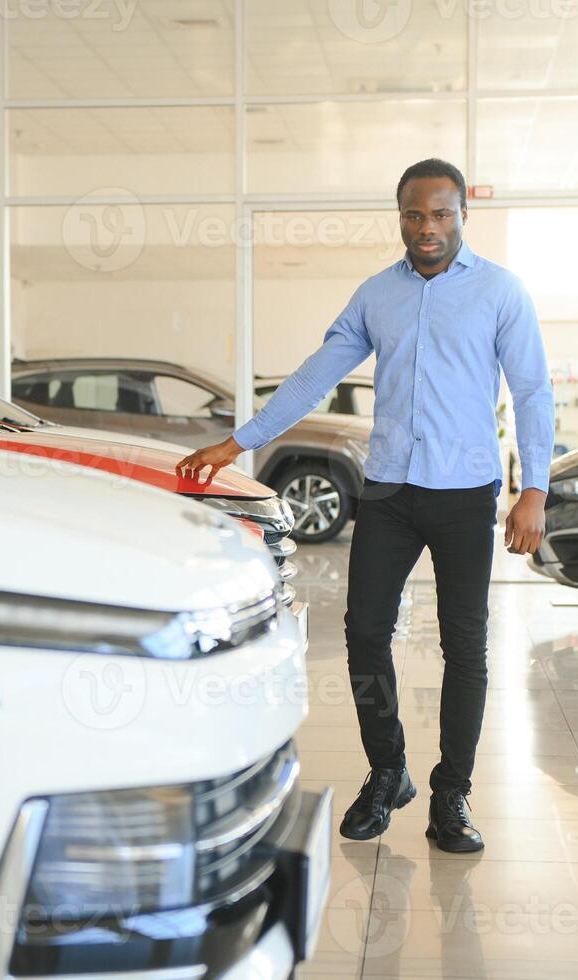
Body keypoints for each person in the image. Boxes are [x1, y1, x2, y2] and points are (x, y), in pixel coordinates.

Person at [176, 159, 553, 853]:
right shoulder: (377, 294)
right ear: (399, 217)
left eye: (440, 214)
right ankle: (388, 773)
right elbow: (314, 377)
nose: (427, 228)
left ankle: (452, 794)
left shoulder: (501, 292)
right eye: (413, 215)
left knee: (463, 646)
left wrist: (534, 487)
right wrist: (237, 444)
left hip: (465, 492)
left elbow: (531, 391)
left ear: (463, 213)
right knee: (362, 634)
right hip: (386, 491)